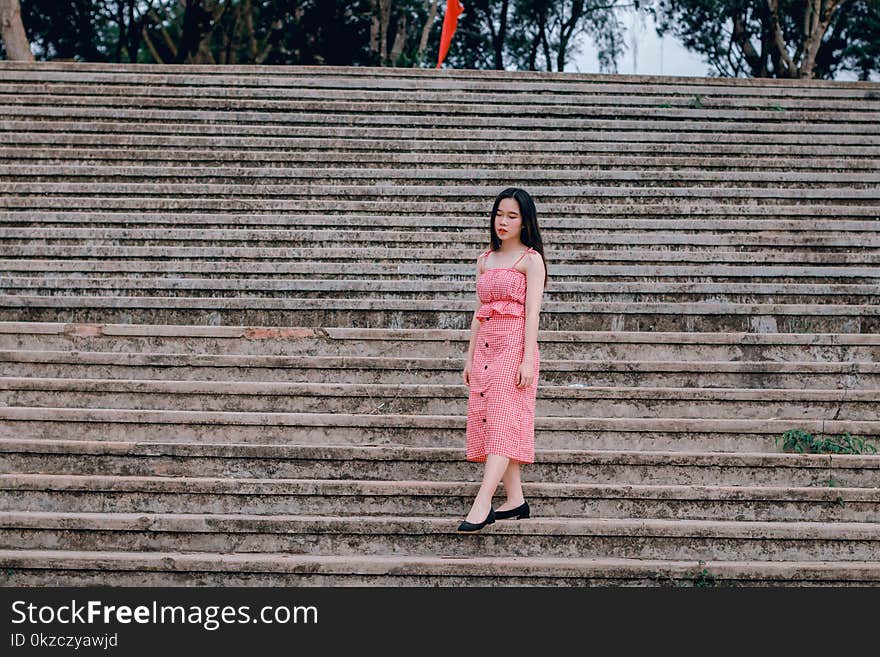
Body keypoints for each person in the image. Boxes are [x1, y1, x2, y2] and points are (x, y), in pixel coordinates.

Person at [459, 187, 548, 532]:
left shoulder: (530, 260)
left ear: (525, 221)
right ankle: (515, 499)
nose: (503, 221)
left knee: (501, 418)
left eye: (512, 216)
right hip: (485, 346)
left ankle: (483, 501)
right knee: (493, 418)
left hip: (514, 344)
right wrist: (468, 357)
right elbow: (478, 313)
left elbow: (533, 314)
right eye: (499, 214)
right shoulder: (484, 260)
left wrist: (528, 358)